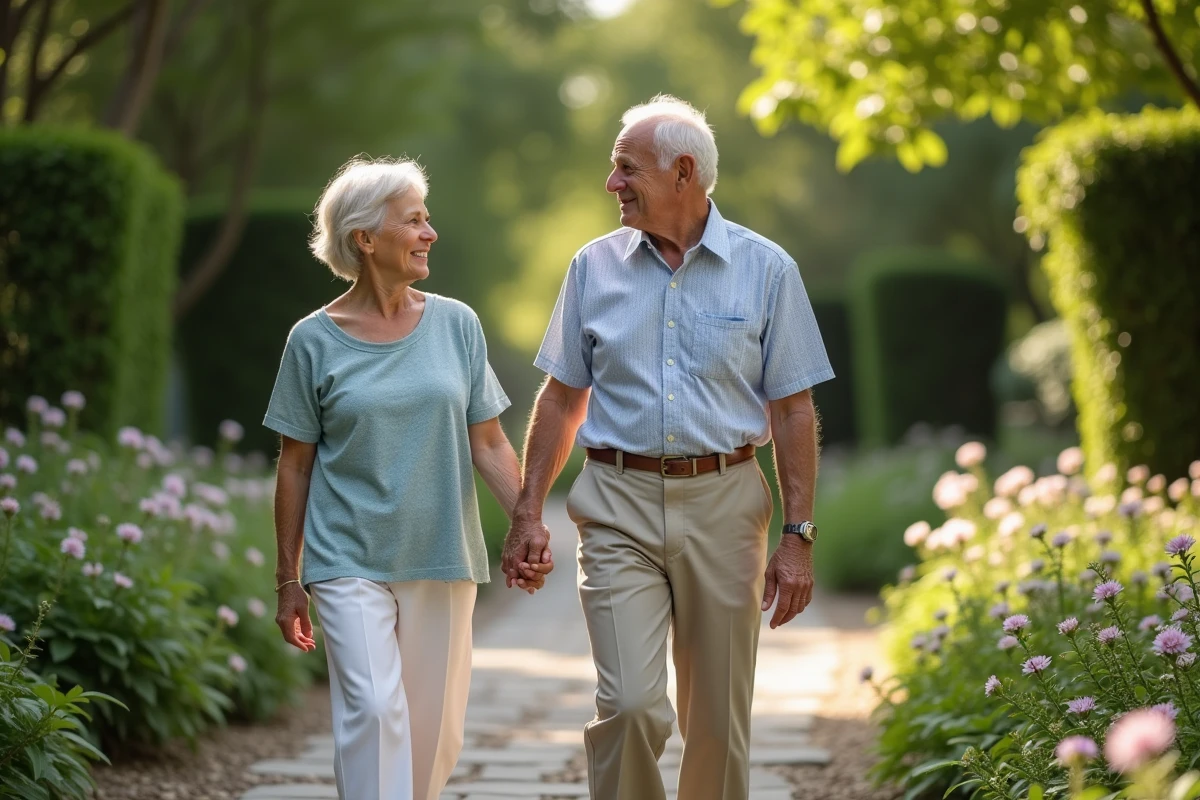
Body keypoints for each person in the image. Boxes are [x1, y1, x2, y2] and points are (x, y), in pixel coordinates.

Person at [501, 96, 834, 800]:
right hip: (617, 500)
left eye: (626, 168)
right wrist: (528, 512)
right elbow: (560, 398)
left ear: (684, 172)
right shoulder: (593, 268)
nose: (611, 184)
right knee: (628, 705)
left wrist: (798, 535)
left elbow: (794, 408)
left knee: (718, 722)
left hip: (725, 501)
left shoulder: (768, 270)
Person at [264, 156, 553, 800]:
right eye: (415, 221)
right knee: (373, 710)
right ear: (365, 239)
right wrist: (289, 578)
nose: (431, 233)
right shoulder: (312, 340)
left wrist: (527, 521)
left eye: (427, 219)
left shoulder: (457, 325)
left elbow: (488, 440)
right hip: (346, 555)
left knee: (433, 734)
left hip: (441, 553)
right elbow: (295, 464)